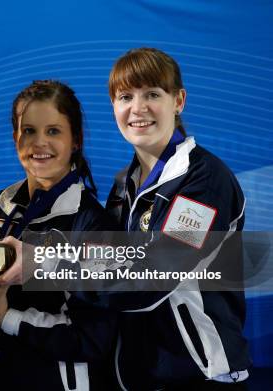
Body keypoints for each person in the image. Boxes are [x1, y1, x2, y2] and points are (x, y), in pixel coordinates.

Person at [102, 47, 250, 390]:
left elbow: (153, 277)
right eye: (125, 96)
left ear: (178, 101)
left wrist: (41, 264)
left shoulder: (205, 180)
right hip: (137, 371)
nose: (137, 108)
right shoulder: (123, 183)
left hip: (200, 374)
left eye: (152, 94)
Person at [0, 80, 118, 390]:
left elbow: (92, 339)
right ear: (15, 136)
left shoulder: (92, 224)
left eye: (54, 131)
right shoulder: (1, 207)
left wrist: (6, 317)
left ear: (76, 140)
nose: (39, 143)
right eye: (29, 131)